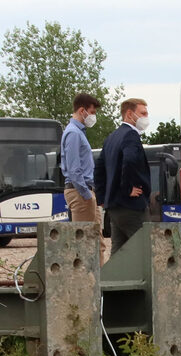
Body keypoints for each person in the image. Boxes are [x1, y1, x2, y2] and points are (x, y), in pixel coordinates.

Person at [99, 98, 153, 255]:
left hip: (114, 206)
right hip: (132, 205)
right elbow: (129, 161)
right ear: (129, 114)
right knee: (144, 250)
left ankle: (112, 280)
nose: (146, 117)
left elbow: (100, 168)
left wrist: (103, 197)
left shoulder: (111, 137)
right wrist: (127, 188)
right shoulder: (131, 135)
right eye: (143, 113)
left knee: (118, 251)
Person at [62, 93, 106, 258]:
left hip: (85, 191)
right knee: (85, 243)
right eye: (92, 112)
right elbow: (74, 170)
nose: (93, 116)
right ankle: (87, 281)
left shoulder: (78, 132)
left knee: (96, 241)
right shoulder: (73, 133)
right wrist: (87, 195)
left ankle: (100, 279)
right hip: (81, 191)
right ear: (82, 111)